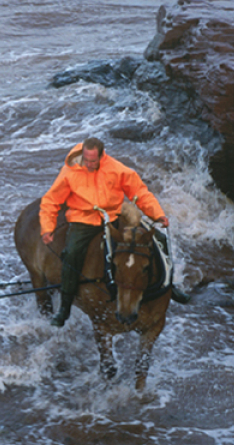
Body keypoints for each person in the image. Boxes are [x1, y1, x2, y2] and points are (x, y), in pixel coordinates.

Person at [39, 137, 187, 327]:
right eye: (86, 159)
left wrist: (157, 215)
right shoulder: (70, 171)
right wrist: (47, 228)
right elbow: (50, 201)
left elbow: (140, 193)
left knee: (159, 239)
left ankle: (170, 286)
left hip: (113, 217)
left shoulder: (118, 169)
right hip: (83, 219)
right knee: (72, 254)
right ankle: (65, 307)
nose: (89, 164)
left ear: (102, 156)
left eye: (93, 161)